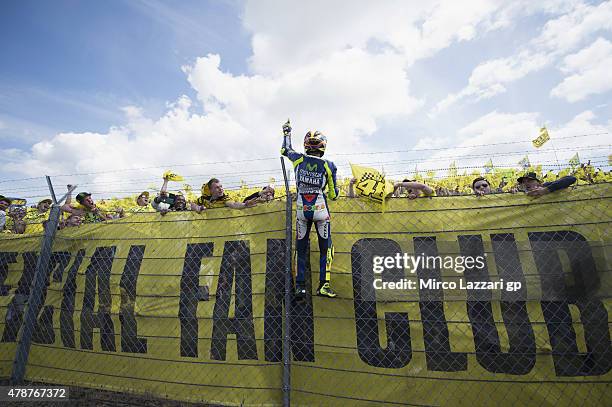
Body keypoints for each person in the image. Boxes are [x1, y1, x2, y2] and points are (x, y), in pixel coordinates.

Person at [281, 120, 338, 298]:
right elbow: (334, 195)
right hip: (321, 211)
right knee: (326, 248)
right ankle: (324, 285)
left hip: (301, 211)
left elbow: (285, 150)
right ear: (323, 146)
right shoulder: (329, 165)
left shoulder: (298, 158)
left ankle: (300, 287)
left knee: (300, 248)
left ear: (306, 145)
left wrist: (287, 133)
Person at [191, 178, 257, 212]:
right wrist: (198, 208)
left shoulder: (224, 198)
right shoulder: (203, 199)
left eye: (221, 186)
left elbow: (234, 204)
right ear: (211, 190)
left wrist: (245, 204)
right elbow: (192, 205)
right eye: (217, 187)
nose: (221, 189)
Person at [348, 178, 433, 199]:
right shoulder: (406, 199)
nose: (412, 192)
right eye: (409, 190)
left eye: (415, 186)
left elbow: (423, 187)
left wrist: (400, 184)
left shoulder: (430, 194)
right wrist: (351, 186)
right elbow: (352, 198)